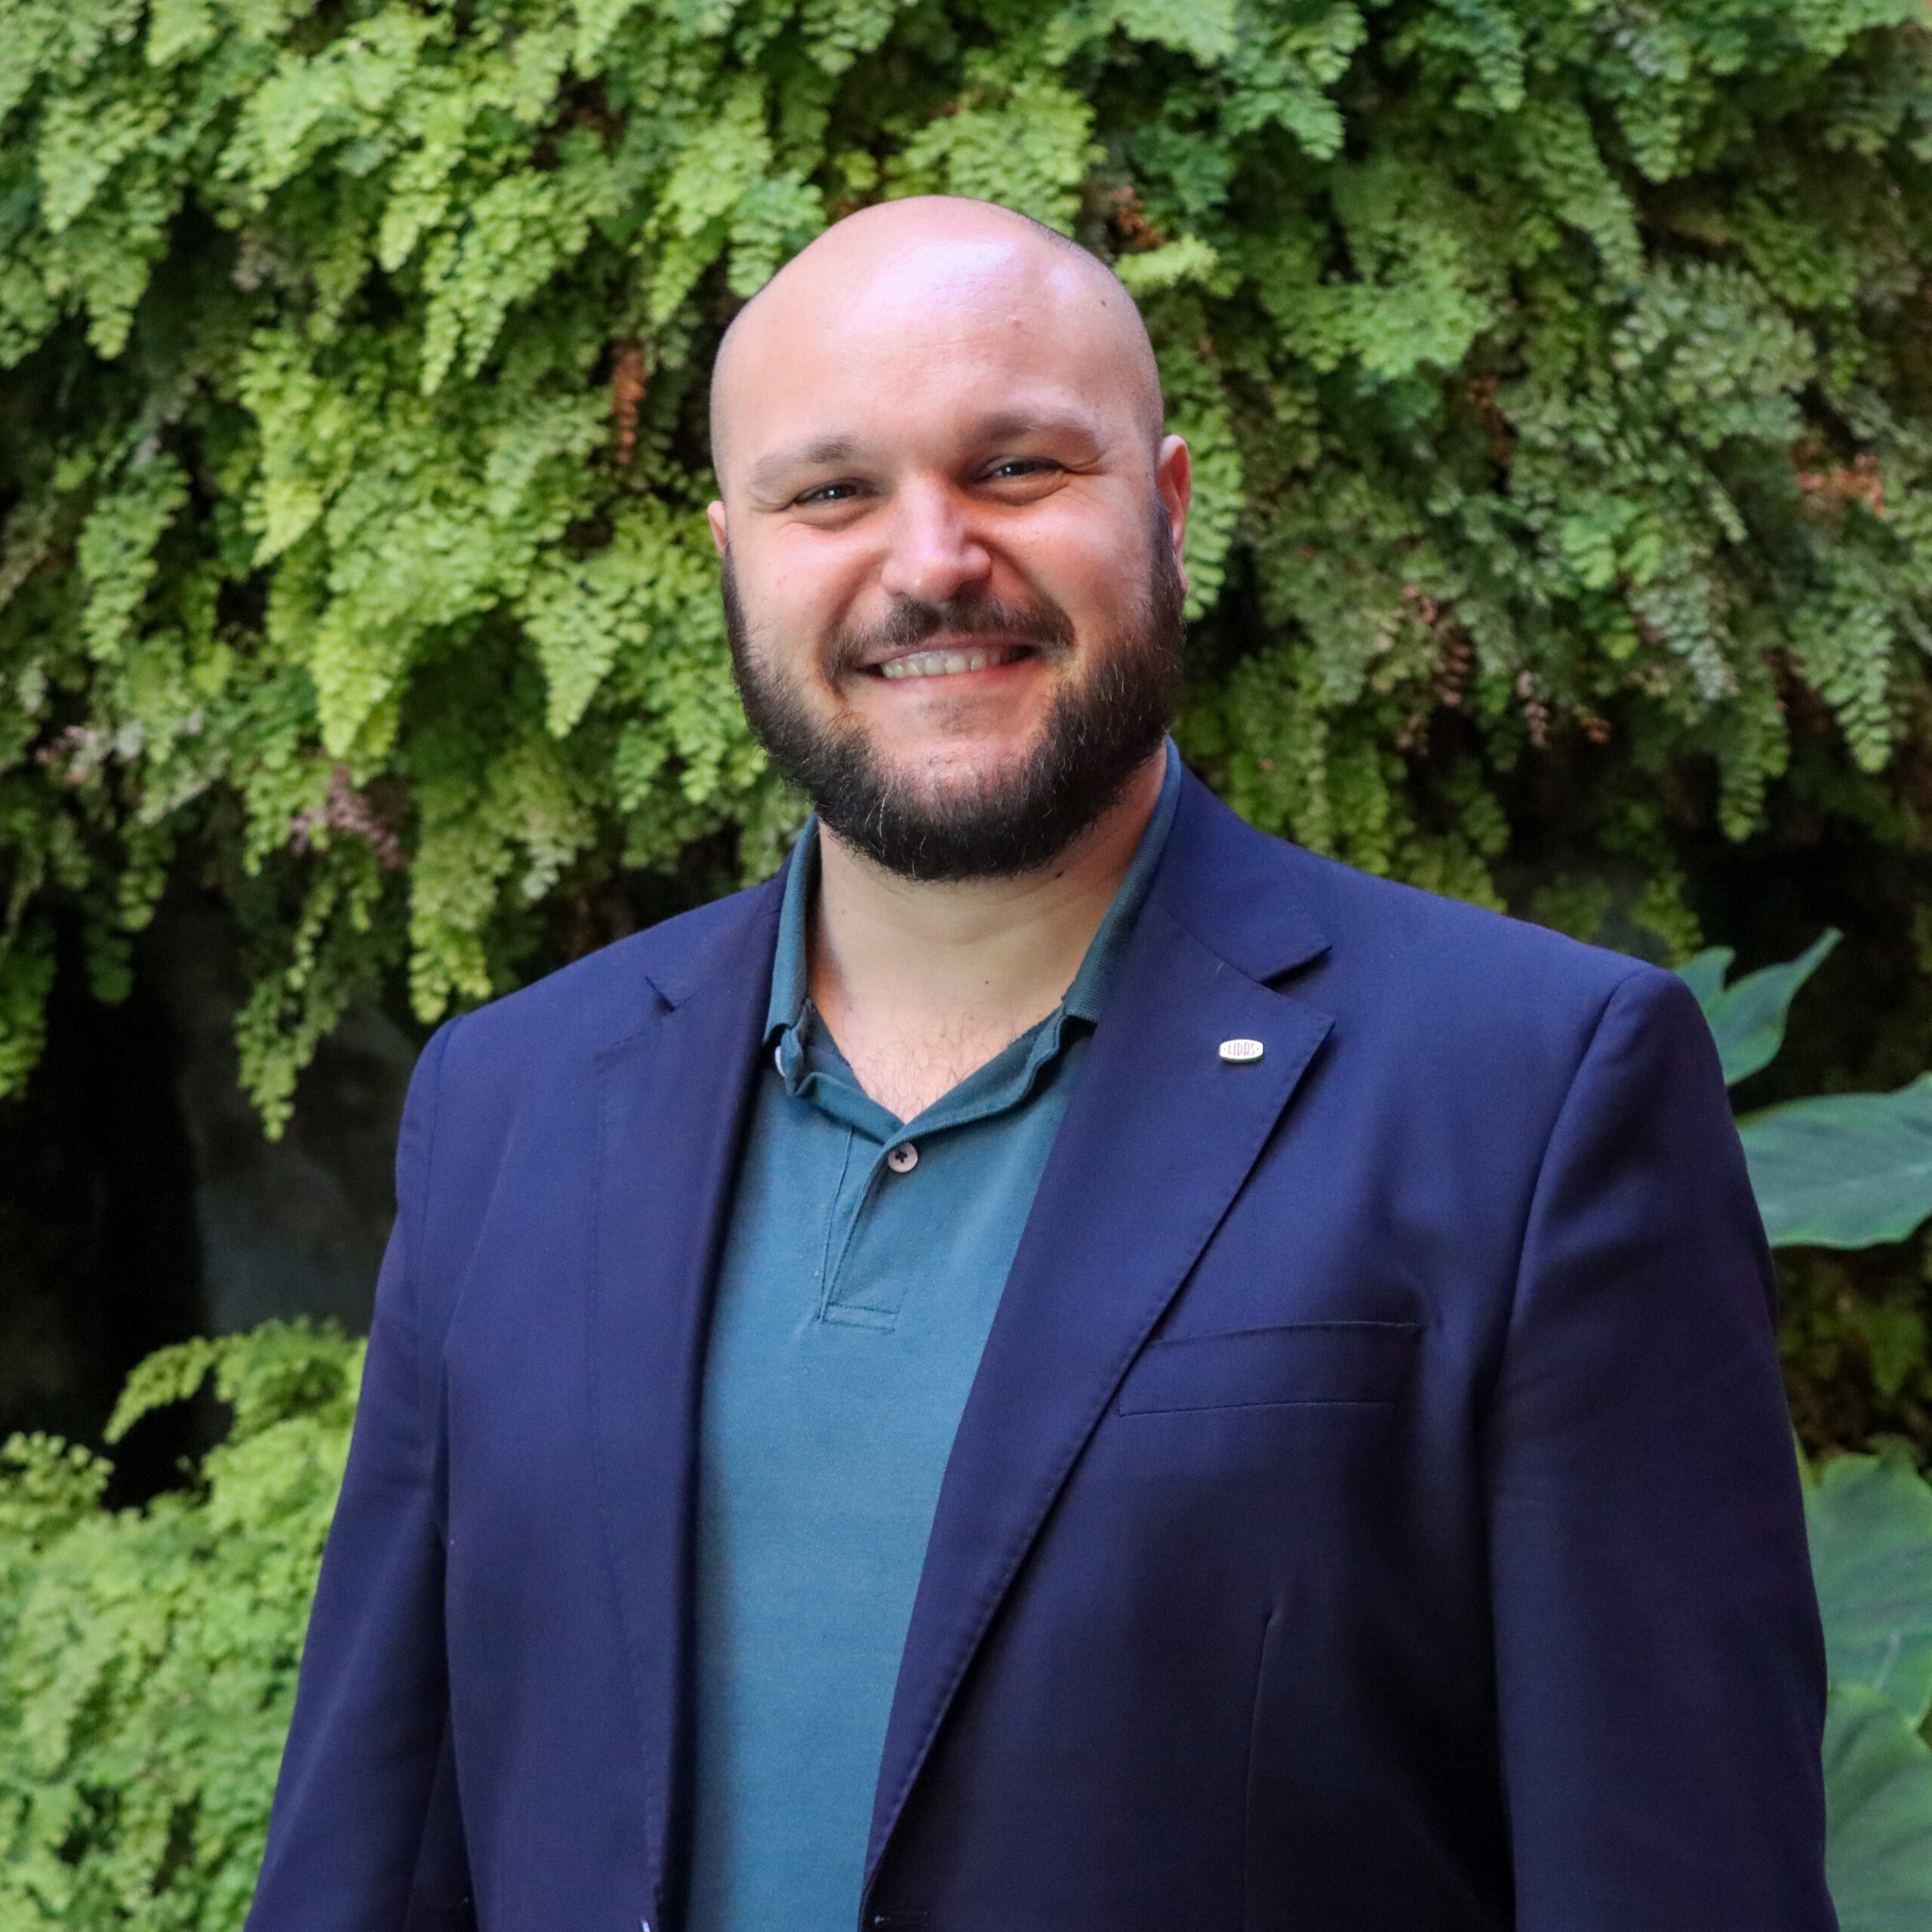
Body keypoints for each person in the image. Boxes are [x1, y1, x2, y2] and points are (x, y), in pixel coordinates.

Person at [246, 196, 1834, 1932]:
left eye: (1014, 467)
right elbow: (371, 1845)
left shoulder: (1530, 1092)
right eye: (829, 492)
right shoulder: (512, 1101)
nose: (929, 559)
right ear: (732, 552)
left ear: (1165, 509)